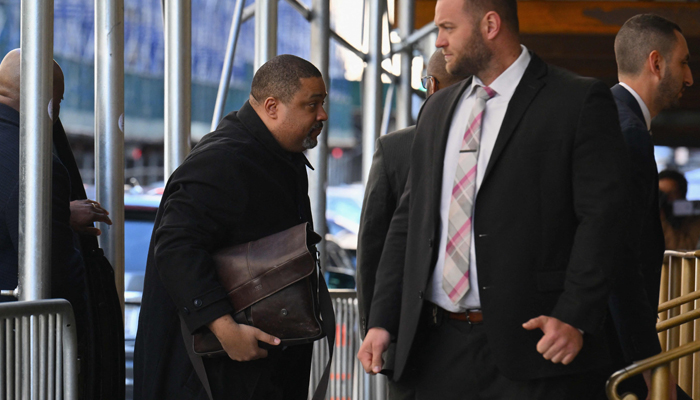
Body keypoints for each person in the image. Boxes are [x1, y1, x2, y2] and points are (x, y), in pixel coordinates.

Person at [357, 0, 629, 398]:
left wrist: (575, 315)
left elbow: (602, 220)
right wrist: (382, 321)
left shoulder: (577, 100)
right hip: (433, 351)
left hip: (534, 352)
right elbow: (408, 223)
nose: (440, 41)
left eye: (448, 27)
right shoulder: (437, 109)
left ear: (490, 25)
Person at [134, 54, 328, 400]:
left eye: (322, 103)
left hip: (258, 369)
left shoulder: (277, 155)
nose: (322, 115)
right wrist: (225, 329)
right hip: (215, 375)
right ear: (272, 106)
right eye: (311, 105)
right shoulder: (222, 160)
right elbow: (176, 246)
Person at [356, 49, 467, 399]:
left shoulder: (396, 148)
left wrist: (376, 326)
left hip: (408, 337)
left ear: (430, 85)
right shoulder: (400, 149)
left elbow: (372, 249)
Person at [607, 14, 693, 400]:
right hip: (612, 348)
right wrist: (646, 363)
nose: (689, 78)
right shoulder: (627, 132)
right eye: (684, 62)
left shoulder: (608, 117)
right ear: (656, 63)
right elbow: (620, 259)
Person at [0, 49, 90, 343]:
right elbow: (58, 272)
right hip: (20, 349)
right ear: (48, 99)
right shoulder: (36, 167)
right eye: (59, 100)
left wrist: (60, 213)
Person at [658, 170, 700, 250]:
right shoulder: (649, 219)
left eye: (672, 193)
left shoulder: (694, 219)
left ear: (682, 194)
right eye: (661, 193)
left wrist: (663, 217)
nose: (665, 198)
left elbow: (684, 250)